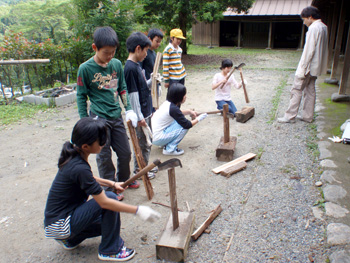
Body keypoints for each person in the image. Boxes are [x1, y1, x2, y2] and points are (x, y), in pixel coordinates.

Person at [44, 117, 161, 262]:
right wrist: (138, 210)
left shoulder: (74, 155)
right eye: (100, 140)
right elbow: (104, 202)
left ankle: (72, 239)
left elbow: (89, 178)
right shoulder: (79, 167)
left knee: (108, 225)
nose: (104, 143)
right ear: (86, 146)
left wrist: (112, 183)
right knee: (110, 199)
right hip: (61, 225)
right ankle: (110, 250)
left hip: (57, 223)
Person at [76, 26, 139, 201]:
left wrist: (129, 109)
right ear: (94, 48)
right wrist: (85, 122)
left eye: (113, 52)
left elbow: (122, 88)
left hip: (115, 115)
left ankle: (124, 181)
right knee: (103, 156)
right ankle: (109, 188)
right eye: (106, 53)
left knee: (125, 152)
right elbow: (81, 96)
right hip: (98, 118)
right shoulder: (85, 69)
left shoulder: (116, 65)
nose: (110, 56)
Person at [278, 6, 328, 123]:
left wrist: (302, 68)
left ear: (310, 17)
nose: (304, 22)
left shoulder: (313, 28)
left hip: (308, 66)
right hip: (316, 66)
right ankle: (307, 116)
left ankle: (290, 116)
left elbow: (309, 51)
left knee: (296, 89)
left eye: (304, 19)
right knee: (310, 90)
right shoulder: (324, 27)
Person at [124, 32, 155, 178]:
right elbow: (132, 95)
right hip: (140, 114)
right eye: (146, 51)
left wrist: (153, 81)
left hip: (145, 111)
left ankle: (145, 168)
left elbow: (143, 87)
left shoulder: (136, 66)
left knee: (147, 144)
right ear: (138, 49)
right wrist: (139, 116)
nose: (146, 54)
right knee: (142, 145)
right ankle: (140, 172)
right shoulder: (129, 68)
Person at [152, 83, 207, 155]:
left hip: (154, 136)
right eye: (184, 95)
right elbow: (187, 125)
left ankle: (164, 143)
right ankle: (170, 149)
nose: (185, 97)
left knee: (178, 121)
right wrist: (199, 118)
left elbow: (178, 113)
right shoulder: (173, 109)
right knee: (183, 126)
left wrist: (189, 112)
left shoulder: (168, 104)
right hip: (158, 138)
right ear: (178, 97)